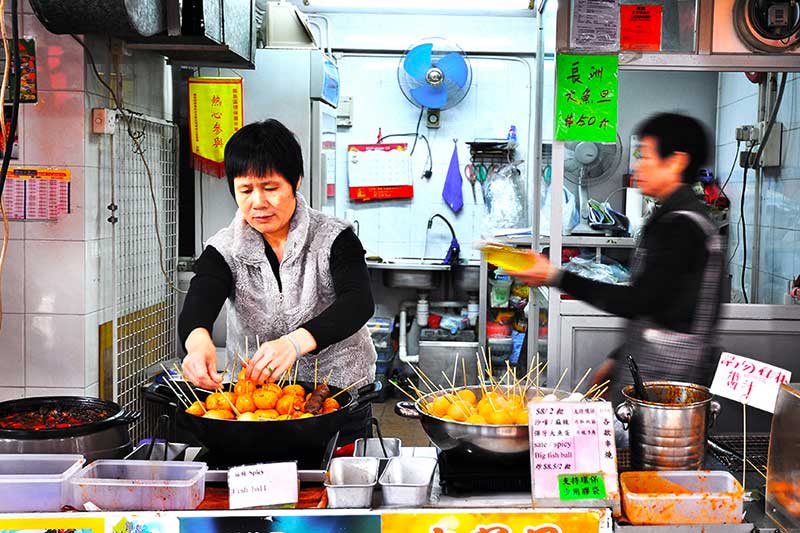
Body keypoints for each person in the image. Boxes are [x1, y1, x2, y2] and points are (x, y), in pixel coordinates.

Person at [509, 113, 724, 404]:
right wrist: (617, 359)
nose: (638, 166)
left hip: (668, 390)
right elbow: (663, 306)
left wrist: (555, 277)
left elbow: (639, 301)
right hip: (654, 375)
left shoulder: (681, 225)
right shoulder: (683, 217)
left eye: (646, 156)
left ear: (676, 161)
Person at [179, 119, 377, 435]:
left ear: (295, 181)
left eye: (270, 188)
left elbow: (359, 302)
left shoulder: (333, 237)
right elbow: (200, 300)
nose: (258, 203)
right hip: (258, 408)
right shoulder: (225, 248)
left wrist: (294, 342)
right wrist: (196, 341)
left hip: (337, 398)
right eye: (245, 190)